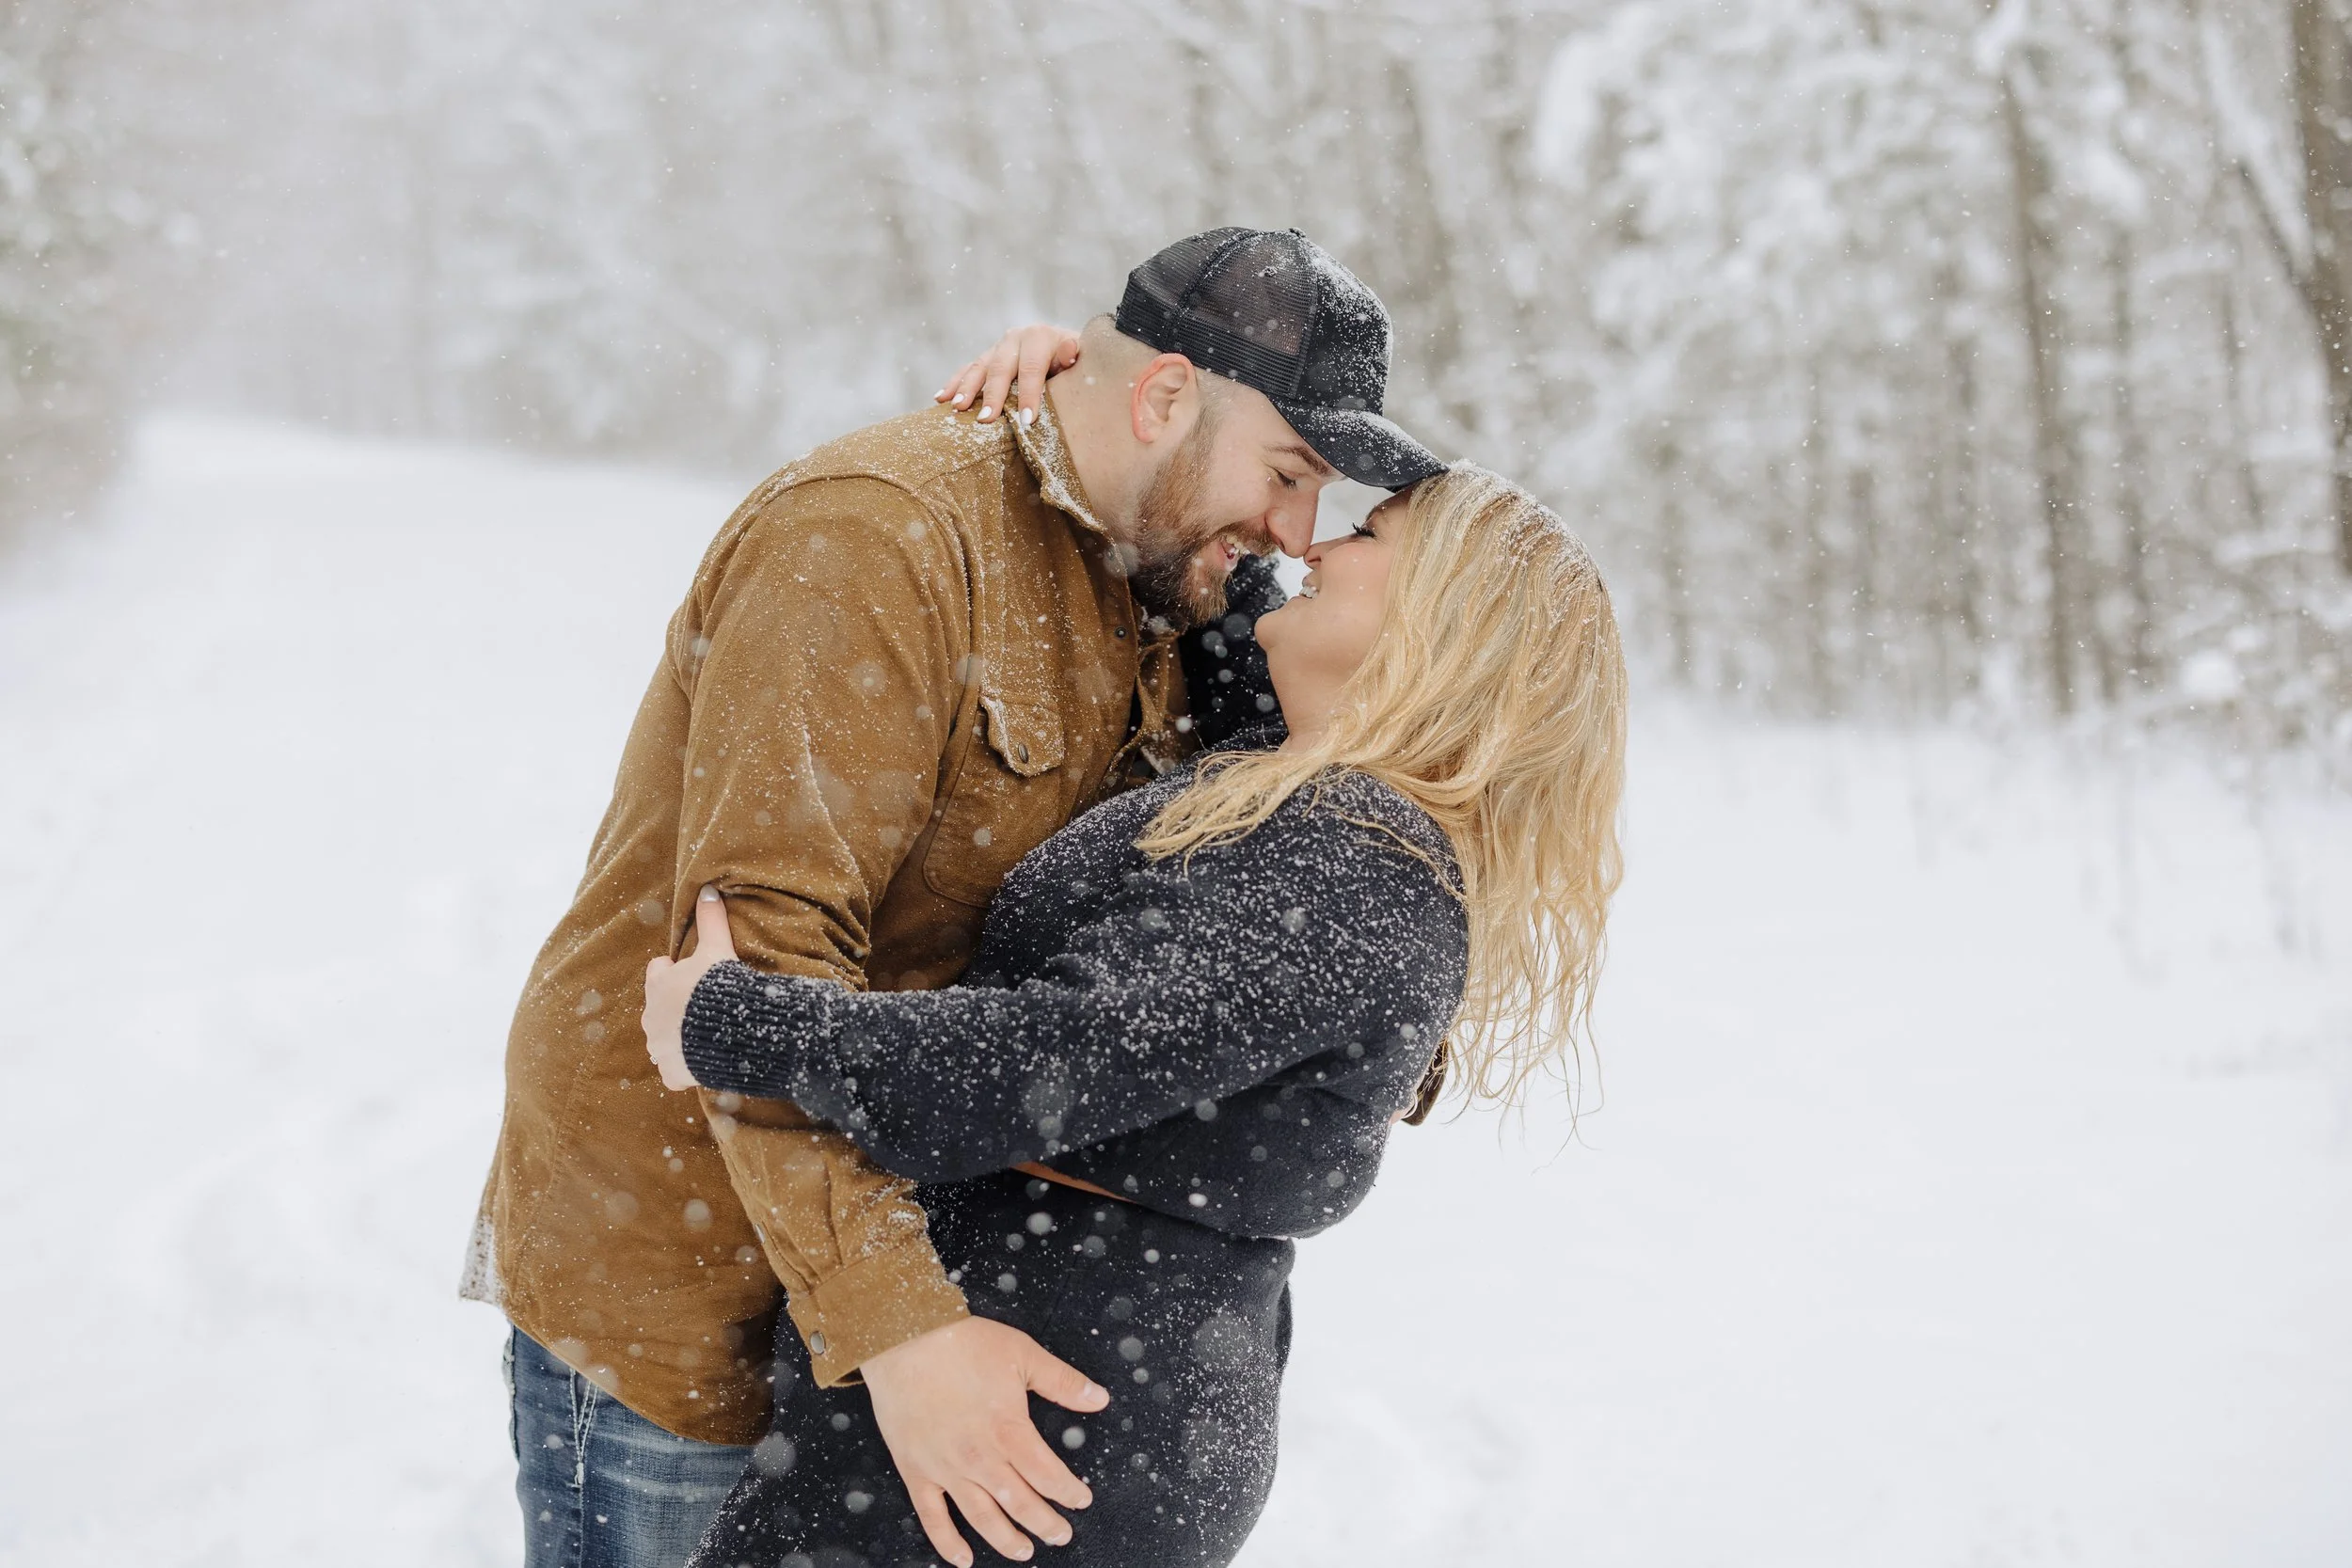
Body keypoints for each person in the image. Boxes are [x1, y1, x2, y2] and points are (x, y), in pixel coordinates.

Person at [464, 228, 1449, 1568]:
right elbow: (751, 971)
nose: (1290, 528)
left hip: (899, 1277)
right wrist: (900, 1332)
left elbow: (1367, 766)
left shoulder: (1167, 570)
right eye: (1287, 473)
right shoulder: (875, 540)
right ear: (1164, 400)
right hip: (689, 1289)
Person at [641, 461, 1629, 1568]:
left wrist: (730, 1023)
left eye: (1367, 533)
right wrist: (1082, 402)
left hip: (1036, 1422)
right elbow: (1218, 599)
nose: (1315, 546)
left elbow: (1032, 1066)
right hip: (1063, 1379)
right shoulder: (1297, 785)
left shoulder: (1347, 860)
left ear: (1444, 621)